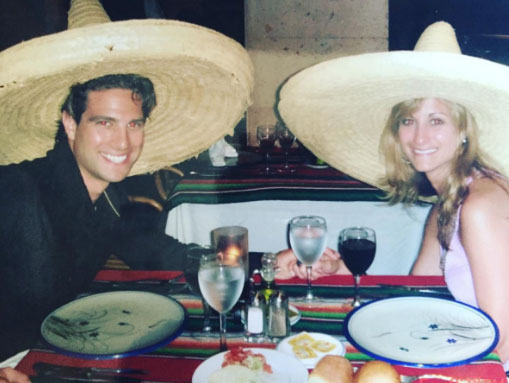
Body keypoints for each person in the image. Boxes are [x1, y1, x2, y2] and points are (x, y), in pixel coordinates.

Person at [0, 0, 253, 379]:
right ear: (70, 124)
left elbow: (160, 252)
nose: (123, 143)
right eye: (105, 122)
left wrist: (256, 265)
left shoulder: (110, 197)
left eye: (134, 124)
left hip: (53, 357)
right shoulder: (18, 193)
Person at [276, 21, 509, 370]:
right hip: (462, 345)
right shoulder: (446, 206)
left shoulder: (481, 205)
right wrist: (340, 270)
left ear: (463, 130)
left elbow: (501, 341)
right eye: (407, 120)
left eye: (436, 121)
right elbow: (414, 296)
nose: (418, 137)